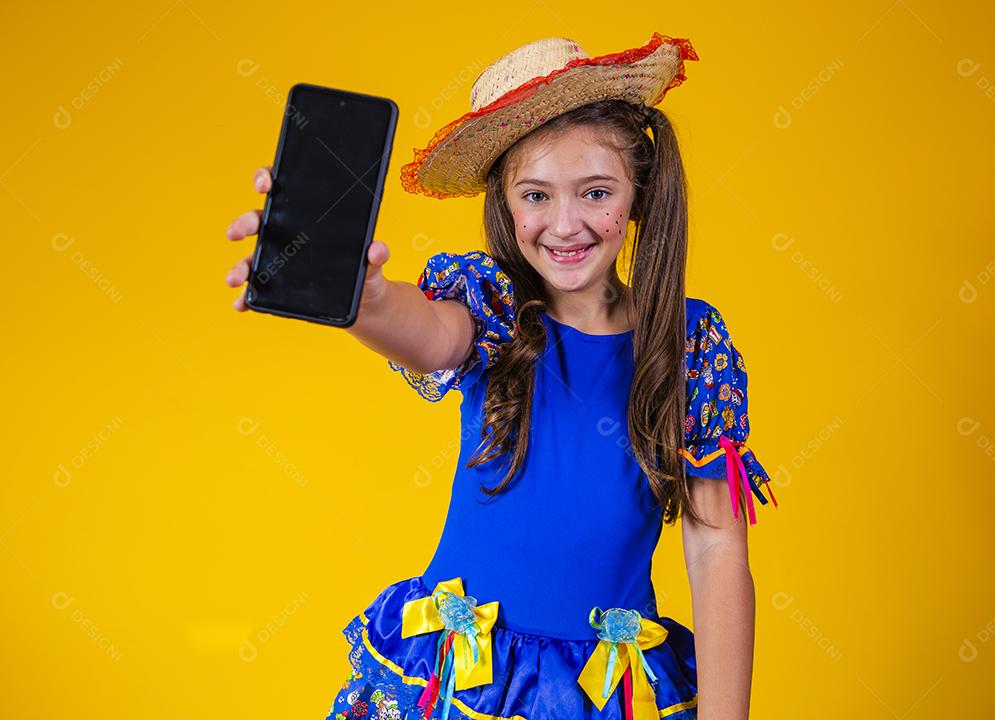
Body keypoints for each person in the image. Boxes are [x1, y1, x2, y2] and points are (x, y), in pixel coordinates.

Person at [225, 31, 778, 720]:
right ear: (505, 203)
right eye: (536, 195)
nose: (566, 223)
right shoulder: (494, 310)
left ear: (637, 192)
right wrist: (361, 295)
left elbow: (719, 543)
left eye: (595, 192)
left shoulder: (690, 344)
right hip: (463, 679)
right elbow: (426, 334)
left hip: (602, 693)